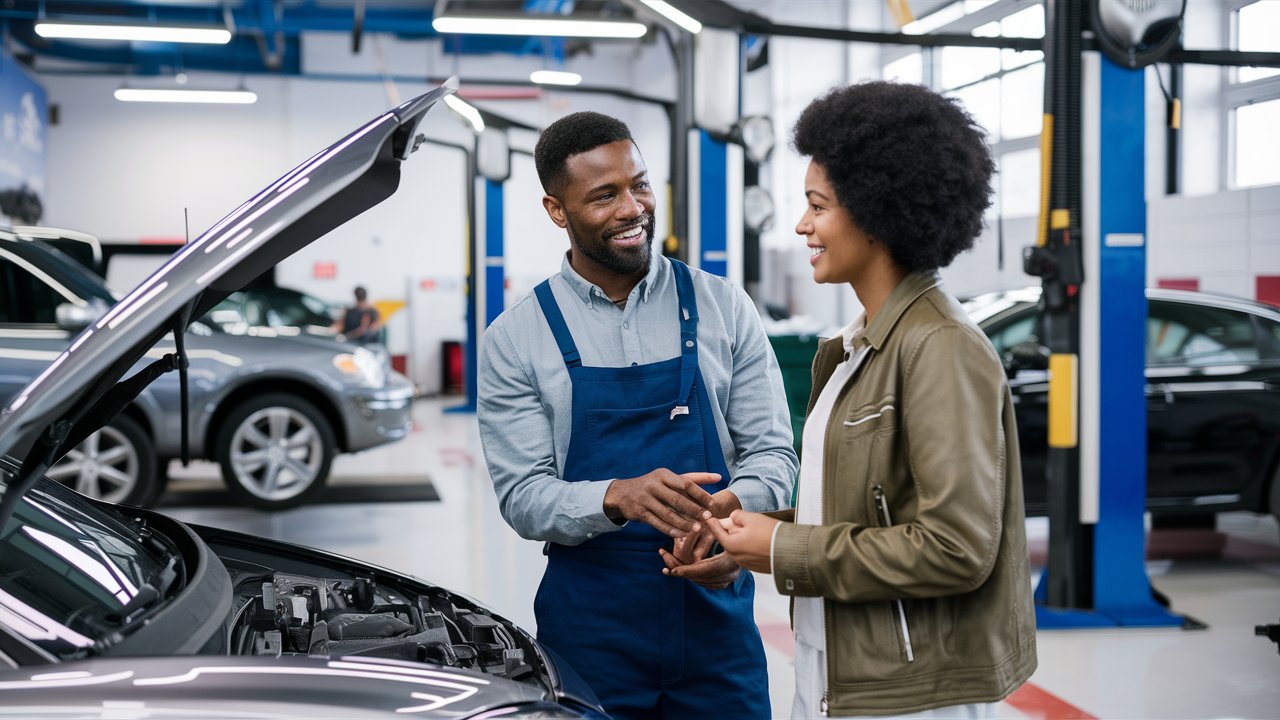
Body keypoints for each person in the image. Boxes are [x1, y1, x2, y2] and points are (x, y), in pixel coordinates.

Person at [705, 81, 1038, 718]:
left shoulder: (940, 348)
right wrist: (757, 531)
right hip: (841, 670)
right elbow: (867, 517)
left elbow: (956, 548)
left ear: (876, 212)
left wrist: (781, 551)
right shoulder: (857, 347)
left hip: (912, 695)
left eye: (818, 206)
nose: (803, 225)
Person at [477, 111, 798, 719]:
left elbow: (774, 452)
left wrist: (735, 521)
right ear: (557, 210)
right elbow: (522, 494)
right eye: (604, 195)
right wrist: (615, 497)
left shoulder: (723, 307)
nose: (633, 208)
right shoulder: (516, 338)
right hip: (592, 634)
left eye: (640, 185)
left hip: (717, 619)